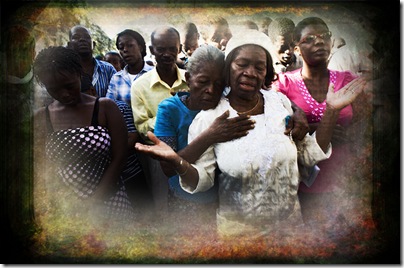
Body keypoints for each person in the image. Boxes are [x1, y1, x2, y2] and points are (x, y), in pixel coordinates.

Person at [135, 29, 366, 238]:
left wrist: (332, 111)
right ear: (229, 68)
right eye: (242, 64)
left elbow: (307, 155)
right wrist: (178, 162)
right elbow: (202, 181)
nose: (250, 73)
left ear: (266, 72)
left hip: (290, 229)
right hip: (239, 236)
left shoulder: (280, 103)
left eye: (259, 67)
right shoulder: (210, 118)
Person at [273, 17, 368, 228]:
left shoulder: (348, 81)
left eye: (325, 37)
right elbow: (276, 130)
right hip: (307, 180)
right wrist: (318, 128)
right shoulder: (283, 84)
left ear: (332, 42)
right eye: (310, 38)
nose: (319, 42)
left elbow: (364, 127)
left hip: (344, 177)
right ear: (296, 47)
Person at [33, 46, 134, 225]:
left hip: (111, 200)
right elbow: (43, 167)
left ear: (80, 74)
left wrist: (95, 201)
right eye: (54, 90)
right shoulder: (42, 118)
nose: (64, 94)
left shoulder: (105, 108)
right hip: (68, 209)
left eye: (69, 86)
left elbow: (120, 157)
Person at [154, 45, 254, 222]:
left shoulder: (226, 106)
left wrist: (295, 110)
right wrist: (210, 136)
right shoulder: (169, 110)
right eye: (203, 82)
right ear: (188, 79)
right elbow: (169, 168)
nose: (211, 90)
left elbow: (266, 99)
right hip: (184, 201)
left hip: (224, 201)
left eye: (219, 84)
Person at [130, 26, 188, 214]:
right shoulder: (140, 86)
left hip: (193, 149)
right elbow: (141, 127)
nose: (167, 54)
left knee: (192, 201)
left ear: (180, 48)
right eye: (161, 49)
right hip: (157, 156)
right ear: (151, 50)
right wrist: (168, 118)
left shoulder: (191, 79)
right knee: (164, 207)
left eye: (172, 48)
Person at [81, 73, 153, 213]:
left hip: (130, 174)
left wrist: (100, 152)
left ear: (92, 91)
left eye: (83, 96)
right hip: (99, 181)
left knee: (144, 213)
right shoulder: (73, 115)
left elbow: (132, 138)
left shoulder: (118, 107)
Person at [106, 29, 154, 106]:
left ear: (140, 47)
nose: (125, 50)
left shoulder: (154, 74)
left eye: (130, 45)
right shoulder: (116, 78)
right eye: (121, 47)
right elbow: (109, 106)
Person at [67, 25, 116, 97]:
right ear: (69, 45)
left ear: (93, 44)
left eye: (87, 37)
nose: (82, 40)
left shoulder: (108, 69)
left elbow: (117, 98)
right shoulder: (64, 71)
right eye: (76, 37)